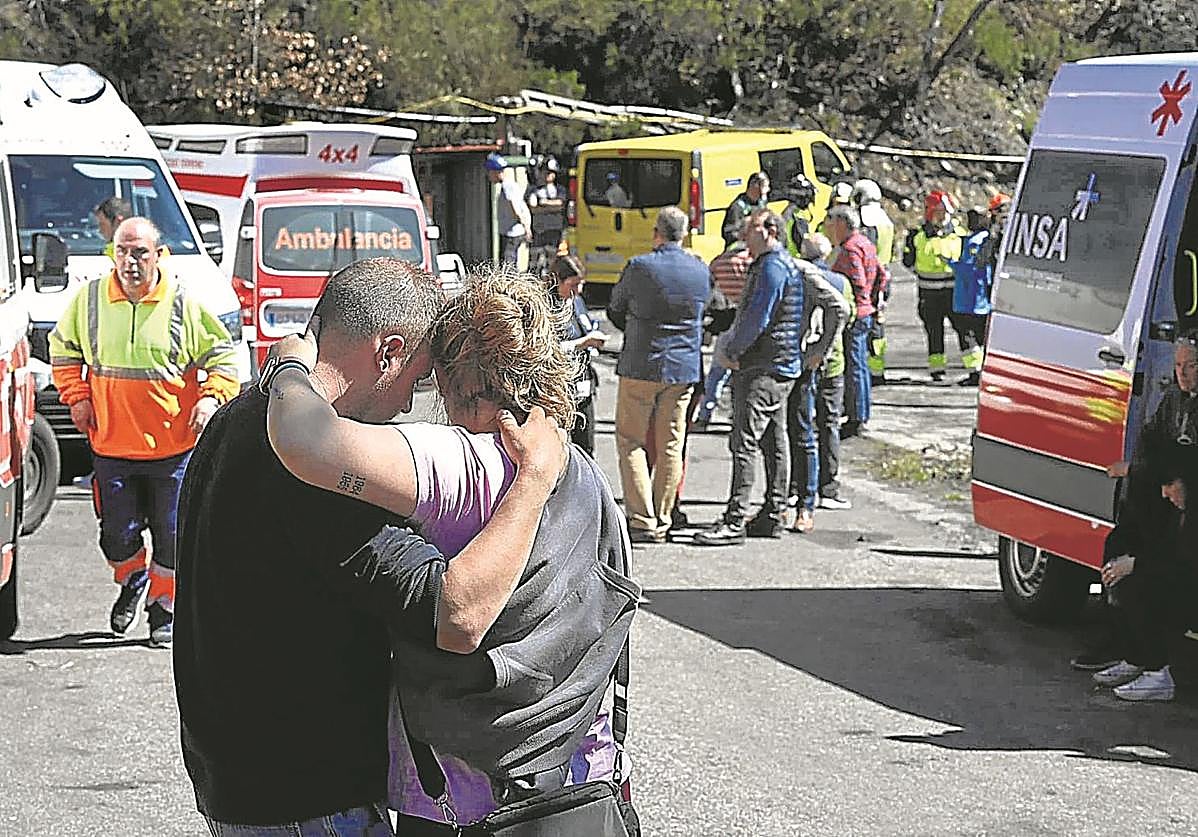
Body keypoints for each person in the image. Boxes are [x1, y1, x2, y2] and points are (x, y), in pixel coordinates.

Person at [174, 257, 570, 834]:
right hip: (309, 800)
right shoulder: (314, 472)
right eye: (415, 380)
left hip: (235, 782)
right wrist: (533, 479)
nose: (409, 406)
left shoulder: (235, 419)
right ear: (387, 353)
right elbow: (456, 614)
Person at [263, 266, 638, 827]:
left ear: (453, 383)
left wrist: (292, 364)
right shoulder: (586, 477)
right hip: (580, 787)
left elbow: (302, 441)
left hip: (461, 804)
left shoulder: (461, 462)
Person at [48, 217, 238, 647]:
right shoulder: (90, 299)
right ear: (111, 253)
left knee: (173, 539)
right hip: (112, 445)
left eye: (140, 253)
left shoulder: (182, 305)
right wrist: (77, 396)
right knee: (116, 535)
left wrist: (210, 398)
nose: (130, 262)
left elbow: (223, 356)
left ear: (159, 255)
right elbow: (62, 349)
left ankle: (162, 610)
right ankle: (132, 577)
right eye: (122, 252)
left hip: (174, 451)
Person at [1070, 331, 1198, 671]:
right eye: (1179, 365)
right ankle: (1126, 645)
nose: (1183, 374)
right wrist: (1154, 477)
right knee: (1120, 538)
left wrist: (1180, 484)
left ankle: (1154, 665)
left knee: (1145, 571)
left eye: (1192, 366)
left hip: (1189, 516)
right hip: (1169, 498)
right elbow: (1151, 443)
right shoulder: (1175, 399)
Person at [694, 208, 812, 545]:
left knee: (744, 441)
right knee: (774, 440)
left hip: (764, 365)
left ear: (771, 230)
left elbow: (757, 317)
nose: (744, 237)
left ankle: (735, 519)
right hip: (779, 364)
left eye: (751, 230)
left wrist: (733, 351)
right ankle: (773, 512)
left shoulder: (772, 267)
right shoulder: (777, 264)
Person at [608, 206, 708, 544]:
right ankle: (663, 517)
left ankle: (641, 518)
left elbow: (616, 309)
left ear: (657, 232)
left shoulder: (640, 267)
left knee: (631, 441)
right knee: (671, 445)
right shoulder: (698, 268)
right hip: (682, 368)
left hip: (641, 363)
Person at [1090, 442, 1198, 702]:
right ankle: (1136, 657)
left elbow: (1185, 563)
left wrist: (1136, 564)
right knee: (1123, 572)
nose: (1165, 494)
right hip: (1183, 584)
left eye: (1170, 486)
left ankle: (1158, 673)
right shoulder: (1178, 511)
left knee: (1142, 585)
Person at [785, 233, 851, 534]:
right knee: (823, 426)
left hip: (809, 361)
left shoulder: (802, 275)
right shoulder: (839, 281)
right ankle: (824, 487)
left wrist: (817, 350)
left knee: (803, 431)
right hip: (827, 362)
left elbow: (842, 311)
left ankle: (801, 495)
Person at [825, 205, 883, 440]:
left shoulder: (849, 249)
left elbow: (857, 281)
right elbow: (882, 273)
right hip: (866, 311)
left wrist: (858, 303)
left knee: (855, 365)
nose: (830, 227)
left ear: (842, 224)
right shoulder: (865, 243)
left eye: (832, 222)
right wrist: (875, 300)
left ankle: (856, 417)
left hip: (856, 314)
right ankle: (861, 412)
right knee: (860, 365)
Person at [696, 214, 755, 428]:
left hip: (725, 322)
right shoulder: (754, 262)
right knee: (743, 374)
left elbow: (710, 293)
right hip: (747, 322)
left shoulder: (719, 262)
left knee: (717, 372)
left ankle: (705, 413)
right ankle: (737, 416)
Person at [903, 190, 965, 383]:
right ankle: (937, 369)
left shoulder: (959, 234)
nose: (943, 215)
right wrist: (923, 272)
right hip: (928, 292)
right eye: (938, 211)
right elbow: (908, 260)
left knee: (963, 329)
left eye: (945, 212)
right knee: (934, 331)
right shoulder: (917, 235)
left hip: (953, 291)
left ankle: (974, 369)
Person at [549, 254, 606, 455]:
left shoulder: (577, 302)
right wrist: (582, 343)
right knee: (558, 449)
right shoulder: (547, 308)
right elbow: (548, 348)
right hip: (559, 388)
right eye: (573, 285)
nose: (577, 291)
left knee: (586, 449)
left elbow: (586, 326)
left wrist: (593, 340)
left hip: (583, 385)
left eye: (580, 284)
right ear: (558, 281)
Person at [852, 179, 895, 386]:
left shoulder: (867, 220)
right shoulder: (885, 219)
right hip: (885, 274)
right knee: (879, 323)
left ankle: (872, 369)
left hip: (872, 277)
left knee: (869, 323)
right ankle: (878, 368)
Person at [948, 207, 995, 387]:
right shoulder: (986, 239)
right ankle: (979, 370)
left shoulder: (976, 241)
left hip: (971, 297)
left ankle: (976, 372)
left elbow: (972, 268)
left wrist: (952, 263)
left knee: (968, 336)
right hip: (979, 297)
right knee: (980, 336)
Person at [485, 153, 532, 266]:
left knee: (507, 265)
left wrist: (526, 228)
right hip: (508, 232)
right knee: (507, 262)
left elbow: (515, 209)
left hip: (512, 233)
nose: (488, 176)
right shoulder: (508, 185)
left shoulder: (508, 186)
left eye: (490, 172)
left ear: (496, 172)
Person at [527, 157, 565, 277]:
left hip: (554, 230)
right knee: (535, 263)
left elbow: (561, 205)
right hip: (539, 230)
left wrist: (543, 203)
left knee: (552, 263)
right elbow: (533, 206)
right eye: (546, 172)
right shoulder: (534, 190)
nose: (548, 175)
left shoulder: (560, 189)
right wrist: (551, 206)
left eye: (551, 172)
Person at [721, 171, 770, 247]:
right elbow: (729, 232)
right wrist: (747, 237)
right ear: (755, 186)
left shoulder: (761, 205)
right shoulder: (738, 207)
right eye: (765, 186)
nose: (768, 190)